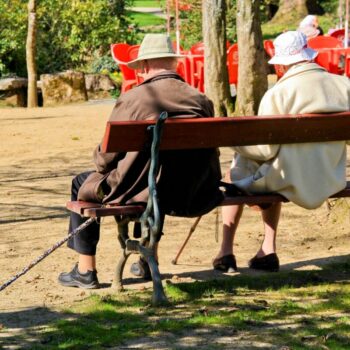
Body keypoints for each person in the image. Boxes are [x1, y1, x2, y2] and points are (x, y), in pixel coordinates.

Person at [58, 33, 223, 289]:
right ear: (174, 63)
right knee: (161, 174)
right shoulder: (199, 99)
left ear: (144, 66)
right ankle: (148, 260)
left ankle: (85, 269)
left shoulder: (134, 99)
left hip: (143, 191)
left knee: (83, 183)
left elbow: (104, 161)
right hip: (191, 191)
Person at [213, 31, 350, 273]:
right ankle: (266, 251)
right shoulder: (344, 84)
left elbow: (265, 150)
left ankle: (227, 251)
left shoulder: (279, 93)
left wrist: (236, 143)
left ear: (281, 66)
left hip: (288, 180)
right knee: (267, 167)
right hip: (331, 178)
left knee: (235, 173)